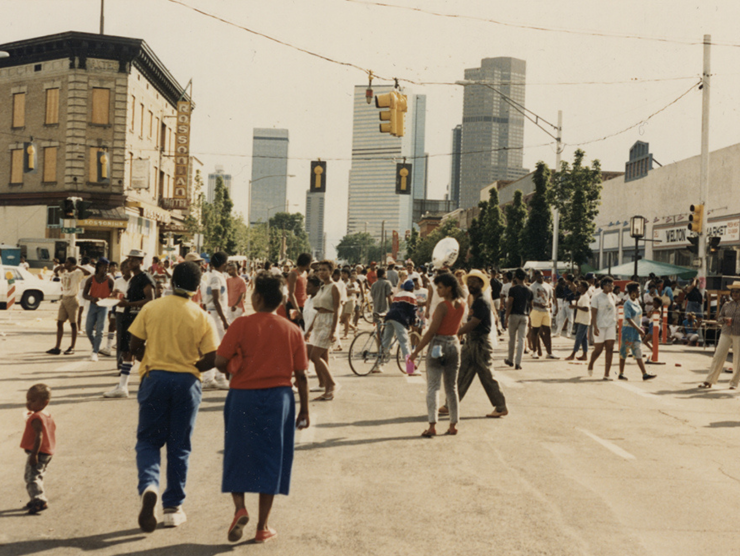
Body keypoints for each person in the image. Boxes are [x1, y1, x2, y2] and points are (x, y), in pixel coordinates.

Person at [215, 272, 309, 544]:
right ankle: (263, 527)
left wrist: (235, 363)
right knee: (272, 458)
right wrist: (305, 410)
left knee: (238, 453)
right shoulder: (292, 330)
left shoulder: (241, 325)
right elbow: (302, 375)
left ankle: (239, 508)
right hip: (279, 399)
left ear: (256, 297)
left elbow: (220, 362)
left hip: (242, 397)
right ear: (280, 301)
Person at [129, 261, 218, 532]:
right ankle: (173, 507)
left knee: (148, 441)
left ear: (170, 282)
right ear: (196, 287)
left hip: (155, 378)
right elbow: (213, 356)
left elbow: (134, 344)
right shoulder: (201, 315)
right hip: (186, 383)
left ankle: (149, 486)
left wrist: (152, 362)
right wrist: (192, 368)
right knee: (180, 446)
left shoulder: (151, 308)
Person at [441, 271, 508, 418]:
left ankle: (501, 406)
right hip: (471, 341)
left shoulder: (482, 301)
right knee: (462, 372)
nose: (470, 284)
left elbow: (474, 323)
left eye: (474, 282)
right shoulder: (476, 300)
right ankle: (450, 404)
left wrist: (455, 332)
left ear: (481, 284)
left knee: (487, 375)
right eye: (469, 281)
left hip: (480, 342)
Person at [409, 273, 466, 437]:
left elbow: (431, 332)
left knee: (433, 387)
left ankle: (432, 425)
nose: (438, 290)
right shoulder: (461, 304)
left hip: (438, 345)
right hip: (454, 344)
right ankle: (453, 424)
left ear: (449, 288)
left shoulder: (443, 306)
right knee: (452, 388)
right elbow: (459, 326)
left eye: (440, 287)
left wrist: (415, 352)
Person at [104, 250, 155, 399]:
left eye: (133, 260)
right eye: (129, 260)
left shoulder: (145, 278)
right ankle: (123, 386)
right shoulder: (133, 279)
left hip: (138, 318)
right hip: (129, 318)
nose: (129, 263)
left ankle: (158, 375)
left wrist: (128, 304)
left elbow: (149, 299)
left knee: (136, 350)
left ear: (140, 262)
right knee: (128, 352)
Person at [304, 261, 340, 400]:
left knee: (314, 355)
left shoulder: (334, 287)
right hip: (319, 321)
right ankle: (326, 387)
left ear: (331, 271)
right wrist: (309, 329)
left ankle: (331, 384)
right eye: (320, 270)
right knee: (322, 356)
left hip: (328, 321)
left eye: (324, 270)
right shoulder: (322, 287)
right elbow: (317, 310)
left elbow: (337, 309)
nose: (321, 272)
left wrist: (333, 330)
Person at [21, 384, 56, 515]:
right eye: (28, 400)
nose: (28, 403)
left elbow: (38, 437)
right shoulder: (46, 414)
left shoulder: (37, 417)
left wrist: (34, 454)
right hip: (46, 451)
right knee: (32, 475)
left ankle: (39, 500)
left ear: (44, 402)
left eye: (33, 401)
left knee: (32, 477)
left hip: (39, 452)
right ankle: (34, 497)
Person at [699, 282, 740, 389]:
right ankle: (709, 380)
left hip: (738, 334)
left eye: (738, 291)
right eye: (734, 291)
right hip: (726, 332)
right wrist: (724, 320)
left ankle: (734, 383)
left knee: (738, 359)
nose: (735, 293)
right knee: (718, 356)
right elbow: (719, 318)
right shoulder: (727, 305)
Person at [46, 258, 91, 355]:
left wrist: (77, 266)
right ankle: (57, 347)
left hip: (72, 299)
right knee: (59, 322)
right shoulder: (64, 273)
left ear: (72, 264)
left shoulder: (77, 274)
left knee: (73, 323)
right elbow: (55, 271)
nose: (65, 264)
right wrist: (61, 266)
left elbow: (88, 273)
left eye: (67, 263)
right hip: (64, 298)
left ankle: (72, 347)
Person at [202, 252, 231, 390]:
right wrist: (224, 320)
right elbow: (216, 299)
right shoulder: (215, 278)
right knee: (217, 347)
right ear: (223, 263)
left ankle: (216, 377)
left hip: (217, 314)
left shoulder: (218, 276)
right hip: (215, 314)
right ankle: (211, 378)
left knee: (217, 346)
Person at [618, 282, 657, 381]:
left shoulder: (637, 302)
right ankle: (621, 373)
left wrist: (640, 328)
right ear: (632, 292)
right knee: (624, 352)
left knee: (638, 351)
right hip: (628, 330)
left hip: (636, 331)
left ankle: (644, 374)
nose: (639, 293)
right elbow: (628, 318)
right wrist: (638, 328)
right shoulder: (627, 304)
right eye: (638, 291)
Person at [379, 279, 417, 373]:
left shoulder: (398, 295)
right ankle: (410, 368)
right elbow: (413, 312)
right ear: (412, 288)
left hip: (390, 316)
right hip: (399, 319)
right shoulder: (412, 296)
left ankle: (377, 364)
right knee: (404, 342)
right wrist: (413, 323)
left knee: (385, 341)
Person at [82, 258, 114, 361]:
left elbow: (114, 295)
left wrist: (107, 300)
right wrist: (93, 298)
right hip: (93, 306)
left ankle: (95, 352)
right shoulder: (91, 279)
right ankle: (96, 345)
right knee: (88, 329)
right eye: (104, 267)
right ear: (99, 267)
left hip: (103, 307)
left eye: (107, 267)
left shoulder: (110, 280)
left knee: (100, 331)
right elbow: (84, 294)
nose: (106, 269)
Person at [588, 276, 618, 380]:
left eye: (612, 285)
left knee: (610, 348)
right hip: (600, 326)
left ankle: (606, 374)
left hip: (610, 325)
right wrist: (595, 327)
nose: (611, 287)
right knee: (598, 349)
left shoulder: (613, 296)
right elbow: (594, 313)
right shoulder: (596, 297)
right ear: (603, 286)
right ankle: (591, 363)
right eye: (609, 285)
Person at [504, 268, 531, 370]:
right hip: (525, 316)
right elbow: (530, 305)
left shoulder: (513, 290)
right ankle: (518, 362)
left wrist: (506, 318)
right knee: (521, 339)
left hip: (514, 315)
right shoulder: (529, 290)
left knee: (512, 339)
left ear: (515, 277)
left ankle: (510, 359)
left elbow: (510, 304)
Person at [529, 271, 558, 360]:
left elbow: (550, 298)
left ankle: (549, 352)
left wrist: (552, 306)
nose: (540, 278)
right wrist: (536, 306)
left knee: (548, 331)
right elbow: (530, 301)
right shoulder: (532, 287)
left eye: (542, 276)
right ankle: (534, 351)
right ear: (535, 277)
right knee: (535, 331)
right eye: (538, 276)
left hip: (546, 310)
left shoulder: (547, 286)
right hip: (536, 310)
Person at [565, 281, 591, 362]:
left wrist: (575, 306)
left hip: (584, 319)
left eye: (580, 286)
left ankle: (573, 354)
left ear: (585, 288)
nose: (578, 287)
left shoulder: (585, 297)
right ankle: (585, 355)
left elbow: (586, 308)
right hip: (582, 318)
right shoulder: (582, 296)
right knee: (583, 338)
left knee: (578, 337)